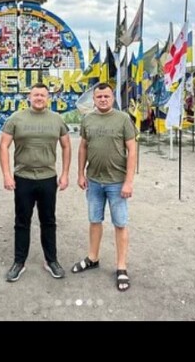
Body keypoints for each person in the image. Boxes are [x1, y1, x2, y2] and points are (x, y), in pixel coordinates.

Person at [0, 82, 71, 282]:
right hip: (23, 178)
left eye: (42, 95)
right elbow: (3, 145)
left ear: (48, 98)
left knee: (48, 221)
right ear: (29, 97)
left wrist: (65, 174)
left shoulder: (57, 119)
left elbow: (66, 146)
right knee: (22, 221)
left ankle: (51, 260)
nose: (39, 98)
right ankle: (19, 262)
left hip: (48, 178)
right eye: (36, 95)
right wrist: (6, 174)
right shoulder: (16, 118)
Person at [73, 83, 137, 292]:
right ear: (94, 99)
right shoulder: (88, 119)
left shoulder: (123, 119)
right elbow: (83, 146)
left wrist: (128, 181)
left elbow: (132, 150)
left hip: (117, 183)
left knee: (120, 223)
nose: (102, 99)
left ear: (112, 97)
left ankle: (121, 267)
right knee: (94, 220)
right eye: (99, 96)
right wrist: (80, 173)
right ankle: (93, 258)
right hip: (94, 181)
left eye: (106, 96)